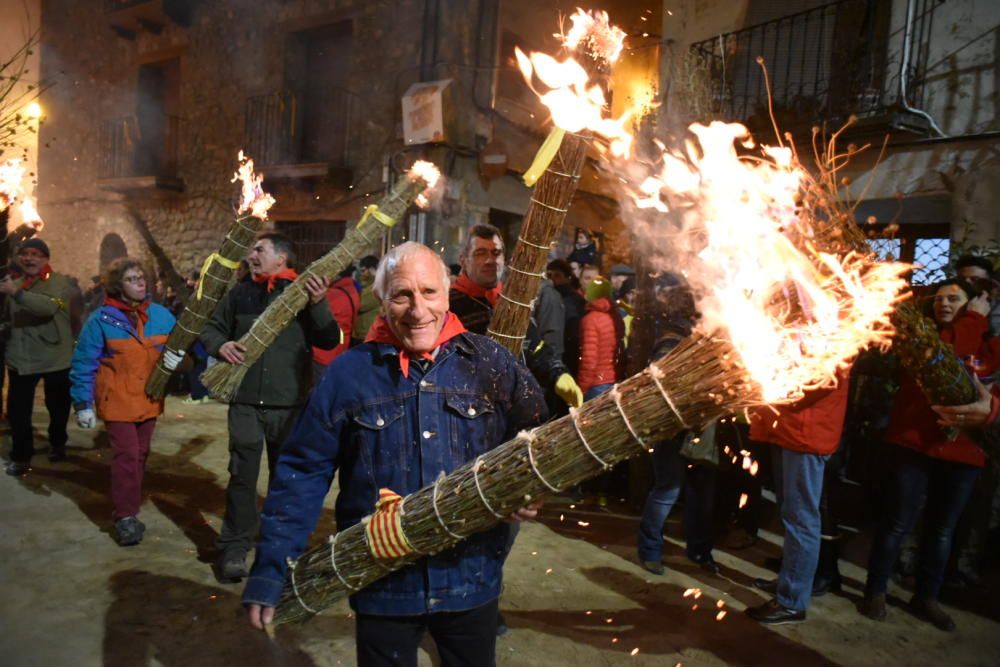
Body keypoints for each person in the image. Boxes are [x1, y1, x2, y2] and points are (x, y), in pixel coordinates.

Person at [242, 242, 548, 665]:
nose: (417, 310)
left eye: (428, 293)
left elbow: (535, 435)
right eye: (402, 295)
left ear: (447, 294)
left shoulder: (490, 363)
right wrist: (270, 568)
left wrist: (524, 489)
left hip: (470, 576)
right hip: (382, 581)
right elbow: (303, 471)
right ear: (383, 302)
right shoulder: (349, 375)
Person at [200, 232, 340, 582]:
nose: (251, 255)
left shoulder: (302, 294)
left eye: (259, 249)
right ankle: (234, 548)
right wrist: (220, 347)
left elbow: (327, 338)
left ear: (282, 258)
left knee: (286, 480)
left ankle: (283, 549)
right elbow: (211, 330)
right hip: (245, 401)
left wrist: (319, 302)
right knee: (242, 478)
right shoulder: (240, 293)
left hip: (290, 404)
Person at [861, 278, 994, 631]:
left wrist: (977, 325)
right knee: (897, 522)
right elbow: (942, 358)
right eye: (939, 299)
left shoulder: (991, 346)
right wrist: (974, 322)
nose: (945, 304)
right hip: (914, 444)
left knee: (942, 530)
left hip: (963, 452)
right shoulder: (922, 340)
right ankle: (875, 590)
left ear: (975, 304)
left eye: (955, 299)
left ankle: (927, 597)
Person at [69, 258, 177, 545]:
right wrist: (83, 403)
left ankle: (129, 498)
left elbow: (182, 350)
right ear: (118, 286)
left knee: (140, 454)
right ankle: (125, 516)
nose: (140, 283)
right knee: (127, 455)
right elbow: (84, 363)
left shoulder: (162, 316)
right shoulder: (101, 321)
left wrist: (184, 360)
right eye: (132, 279)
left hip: (149, 399)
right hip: (116, 400)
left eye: (142, 277)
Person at [745, 370, 851, 625]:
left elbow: (823, 378)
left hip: (807, 430)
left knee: (801, 518)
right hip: (787, 425)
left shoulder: (838, 331)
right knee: (790, 512)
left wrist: (775, 386)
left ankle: (792, 600)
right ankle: (789, 581)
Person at [637, 275, 719, 576]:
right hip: (672, 430)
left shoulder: (708, 340)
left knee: (702, 495)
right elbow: (660, 388)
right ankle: (649, 550)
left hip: (703, 431)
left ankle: (700, 552)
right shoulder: (669, 341)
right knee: (667, 489)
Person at [0, 239, 75, 475]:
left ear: (46, 258)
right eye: (25, 254)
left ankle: (57, 442)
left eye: (36, 254)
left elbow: (48, 308)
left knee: (58, 407)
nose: (30, 259)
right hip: (21, 359)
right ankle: (21, 456)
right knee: (18, 412)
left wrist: (17, 294)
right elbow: (7, 318)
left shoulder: (59, 282)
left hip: (55, 357)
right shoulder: (14, 283)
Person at [312, 265, 360, 381]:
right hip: (340, 350)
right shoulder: (351, 289)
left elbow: (319, 320)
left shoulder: (334, 294)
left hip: (324, 354)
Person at [547, 258, 585, 379]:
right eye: (549, 275)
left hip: (569, 351)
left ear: (567, 277)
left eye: (557, 275)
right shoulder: (548, 296)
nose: (552, 279)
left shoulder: (573, 299)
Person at [351, 255, 380, 345]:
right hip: (360, 333)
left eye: (363, 271)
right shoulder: (367, 285)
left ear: (371, 269)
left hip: (367, 335)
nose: (362, 274)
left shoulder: (377, 287)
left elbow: (360, 305)